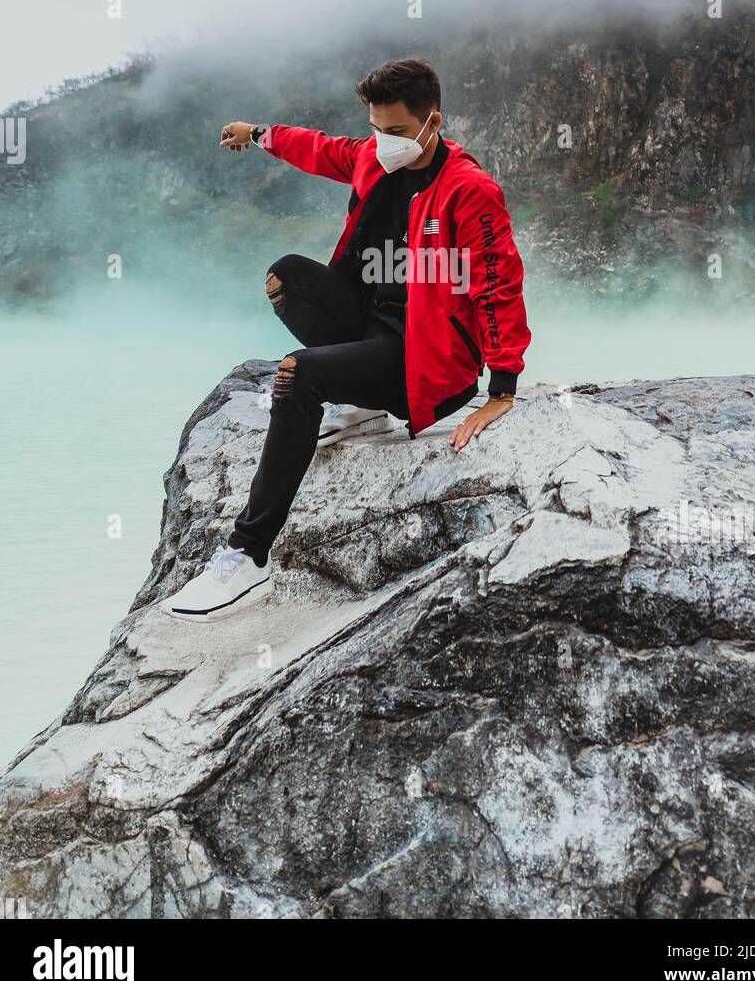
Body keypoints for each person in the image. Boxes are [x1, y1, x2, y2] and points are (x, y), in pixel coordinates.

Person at [161, 58, 531, 621]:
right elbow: (319, 148)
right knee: (285, 275)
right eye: (377, 129)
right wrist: (256, 134)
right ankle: (361, 404)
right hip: (372, 324)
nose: (384, 142)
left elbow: (499, 282)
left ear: (434, 121)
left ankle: (248, 553)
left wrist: (502, 386)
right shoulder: (372, 158)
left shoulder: (468, 190)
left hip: (423, 355)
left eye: (399, 132)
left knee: (299, 373)